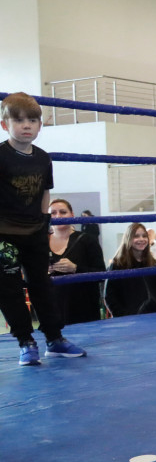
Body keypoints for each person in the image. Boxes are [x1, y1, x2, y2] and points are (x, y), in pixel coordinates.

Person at [0, 92, 86, 366]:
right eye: (19, 120)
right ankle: (25, 342)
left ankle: (54, 339)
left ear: (40, 125)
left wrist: (44, 225)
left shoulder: (43, 158)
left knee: (42, 286)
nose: (26, 125)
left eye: (33, 120)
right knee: (10, 290)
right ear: (5, 125)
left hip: (35, 231)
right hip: (4, 235)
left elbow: (45, 194)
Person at [47, 198, 105, 325]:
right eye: (53, 213)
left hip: (83, 308)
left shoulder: (87, 240)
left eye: (63, 212)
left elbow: (101, 273)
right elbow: (31, 274)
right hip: (52, 309)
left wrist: (76, 269)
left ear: (72, 215)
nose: (58, 216)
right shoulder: (40, 242)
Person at [104, 221, 156, 317]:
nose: (141, 239)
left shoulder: (152, 262)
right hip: (126, 318)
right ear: (128, 238)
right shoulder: (118, 264)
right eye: (136, 236)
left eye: (144, 236)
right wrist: (122, 316)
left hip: (149, 317)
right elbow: (109, 296)